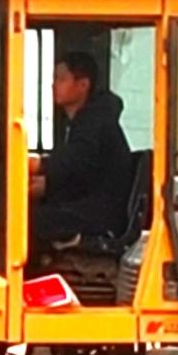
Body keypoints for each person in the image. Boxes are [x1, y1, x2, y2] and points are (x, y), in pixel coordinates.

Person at [32, 49, 136, 251]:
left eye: (61, 79)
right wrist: (44, 184)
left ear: (83, 85)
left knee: (24, 220)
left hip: (99, 213)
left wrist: (35, 165)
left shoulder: (95, 123)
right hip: (86, 202)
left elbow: (73, 162)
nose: (54, 85)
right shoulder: (80, 123)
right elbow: (78, 173)